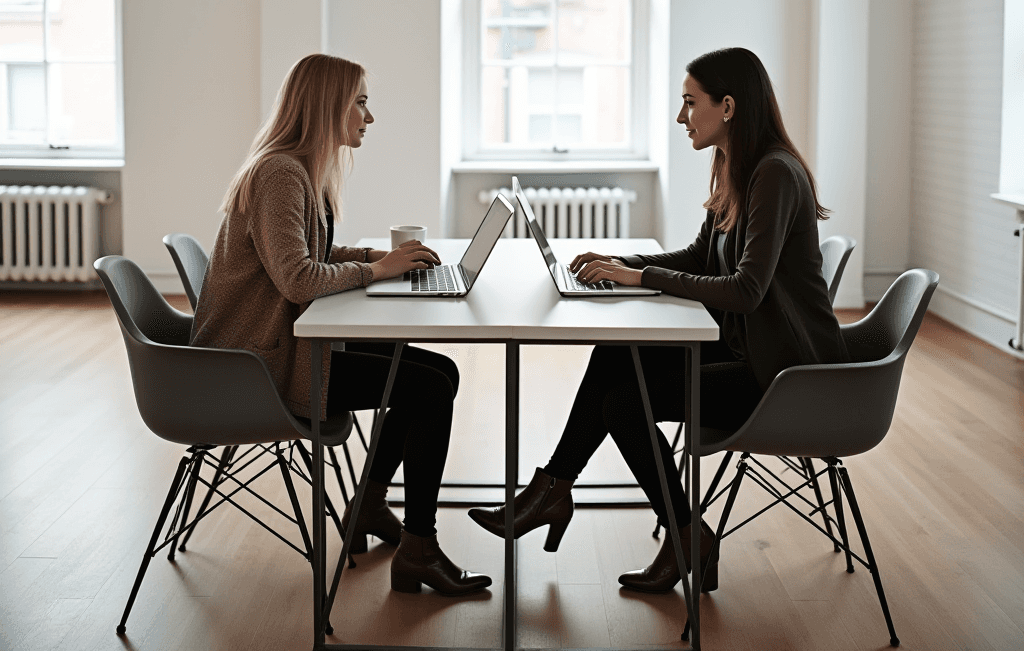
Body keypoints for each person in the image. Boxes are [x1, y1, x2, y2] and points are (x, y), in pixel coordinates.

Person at [468, 47, 848, 593]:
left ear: (729, 106)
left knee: (625, 402)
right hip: (748, 350)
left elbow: (744, 290)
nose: (680, 117)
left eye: (690, 103)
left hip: (783, 375)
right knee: (616, 354)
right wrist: (623, 264)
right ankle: (553, 489)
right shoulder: (734, 167)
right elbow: (699, 258)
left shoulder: (775, 175)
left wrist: (639, 279)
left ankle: (676, 530)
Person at [191, 53, 491, 597]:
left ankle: (370, 509)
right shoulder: (279, 173)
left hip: (279, 346)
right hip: (259, 367)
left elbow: (314, 253)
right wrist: (377, 269)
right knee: (426, 386)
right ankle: (416, 548)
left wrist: (378, 256)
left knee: (437, 373)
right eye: (361, 102)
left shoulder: (297, 169)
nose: (368, 117)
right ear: (328, 106)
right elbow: (300, 280)